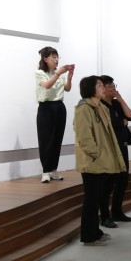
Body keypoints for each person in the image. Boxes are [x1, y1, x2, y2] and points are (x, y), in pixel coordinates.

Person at [73, 76, 126, 246]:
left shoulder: (101, 107)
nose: (103, 88)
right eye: (99, 85)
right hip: (93, 162)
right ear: (90, 88)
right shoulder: (84, 109)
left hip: (103, 161)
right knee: (91, 200)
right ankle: (89, 235)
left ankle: (95, 231)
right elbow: (84, 136)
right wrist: (97, 154)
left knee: (96, 198)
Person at [98, 75, 131, 228]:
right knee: (108, 182)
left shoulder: (115, 103)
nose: (113, 89)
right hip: (109, 147)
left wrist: (120, 99)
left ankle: (117, 211)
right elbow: (114, 123)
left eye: (114, 86)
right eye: (110, 86)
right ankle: (105, 216)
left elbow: (130, 116)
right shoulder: (100, 105)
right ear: (102, 88)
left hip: (122, 144)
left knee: (123, 178)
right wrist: (121, 122)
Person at [35, 47, 74, 183]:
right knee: (46, 139)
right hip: (46, 107)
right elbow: (46, 85)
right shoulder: (40, 73)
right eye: (53, 57)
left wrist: (69, 78)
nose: (56, 60)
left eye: (57, 57)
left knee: (57, 139)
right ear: (45, 59)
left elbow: (67, 89)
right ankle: (45, 171)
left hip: (59, 107)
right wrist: (58, 73)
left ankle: (53, 169)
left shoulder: (60, 74)